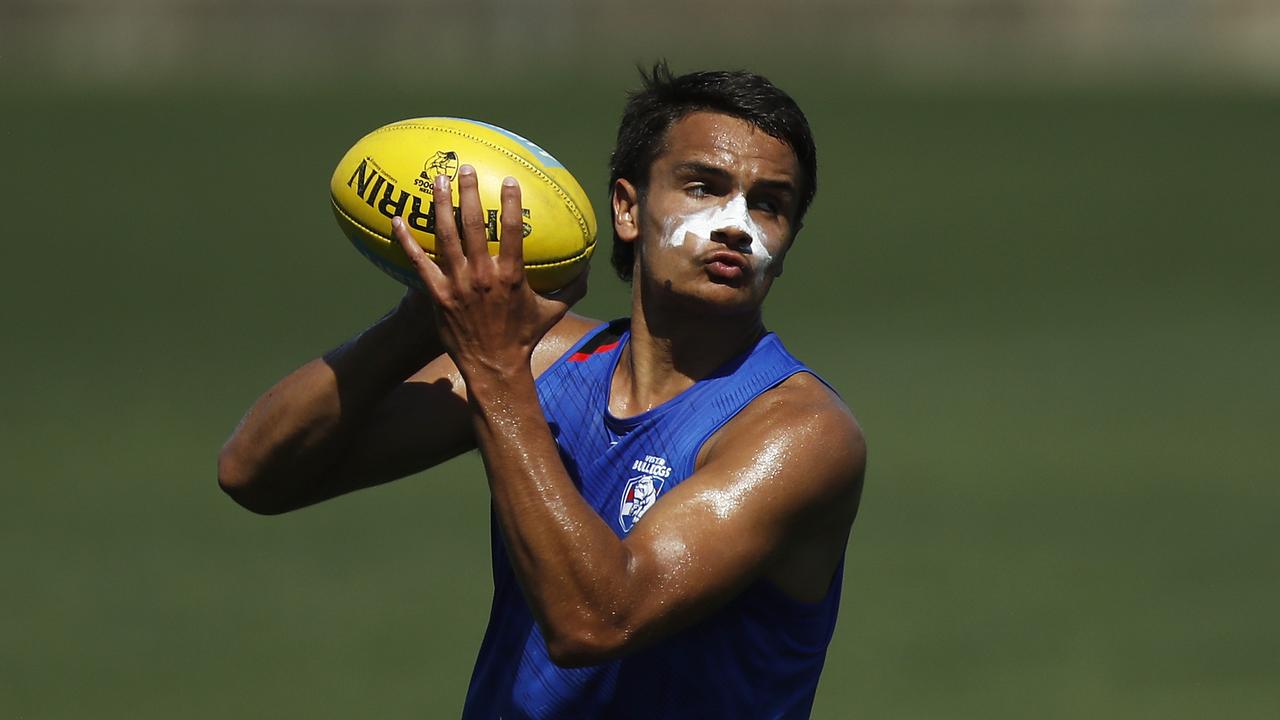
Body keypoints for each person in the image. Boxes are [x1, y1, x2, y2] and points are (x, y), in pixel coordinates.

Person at [219, 63, 866, 719]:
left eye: (769, 204)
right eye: (704, 187)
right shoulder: (545, 362)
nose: (736, 223)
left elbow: (594, 622)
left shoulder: (799, 434)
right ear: (627, 208)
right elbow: (258, 472)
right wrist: (425, 315)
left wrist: (493, 369)